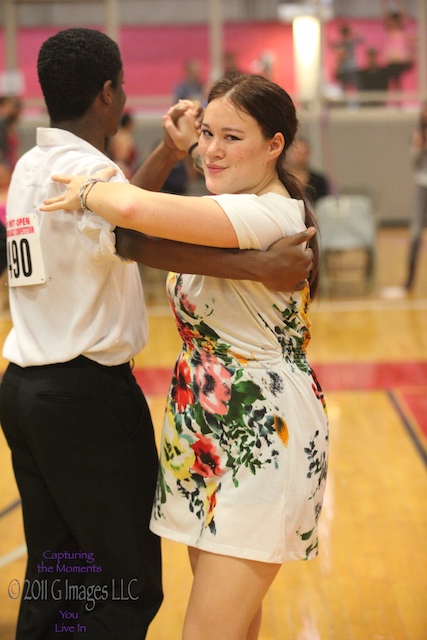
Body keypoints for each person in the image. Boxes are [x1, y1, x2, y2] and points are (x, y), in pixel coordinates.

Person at [0, 29, 315, 640]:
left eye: (231, 137)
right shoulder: (86, 172)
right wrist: (255, 266)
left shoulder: (32, 167)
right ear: (111, 93)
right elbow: (131, 228)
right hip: (95, 402)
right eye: (209, 136)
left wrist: (160, 161)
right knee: (118, 585)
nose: (212, 150)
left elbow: (132, 221)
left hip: (38, 392)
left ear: (276, 146)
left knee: (63, 576)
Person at [404, 102, 427, 291]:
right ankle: (409, 281)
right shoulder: (418, 134)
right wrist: (418, 147)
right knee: (416, 232)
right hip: (422, 184)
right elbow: (414, 162)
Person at [286, 136, 330, 205]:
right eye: (296, 153)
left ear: (308, 154)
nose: (299, 157)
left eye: (302, 153)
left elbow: (323, 203)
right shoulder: (283, 178)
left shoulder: (318, 180)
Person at [329, 24, 363, 92]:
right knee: (343, 89)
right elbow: (331, 45)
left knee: (357, 88)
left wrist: (354, 32)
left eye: (346, 33)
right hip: (343, 70)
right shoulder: (341, 44)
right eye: (344, 33)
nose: (345, 35)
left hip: (352, 69)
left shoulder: (351, 42)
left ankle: (358, 102)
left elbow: (361, 38)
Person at [106, 111, 139, 178]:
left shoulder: (118, 135)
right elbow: (120, 157)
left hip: (122, 167)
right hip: (122, 168)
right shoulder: (124, 137)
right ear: (129, 123)